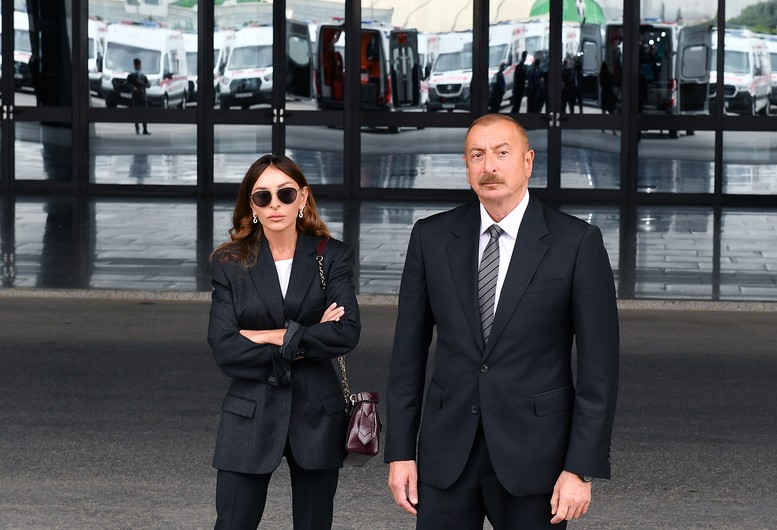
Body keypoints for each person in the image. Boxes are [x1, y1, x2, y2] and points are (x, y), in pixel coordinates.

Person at [385, 114, 619, 529]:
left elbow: (599, 371)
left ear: (528, 162)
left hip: (537, 457)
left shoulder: (576, 243)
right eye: (477, 155)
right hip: (446, 453)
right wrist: (401, 452)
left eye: (501, 153)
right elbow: (407, 355)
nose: (489, 166)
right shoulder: (431, 237)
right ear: (466, 167)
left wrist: (580, 467)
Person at [208, 154, 361, 530]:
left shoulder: (331, 255)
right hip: (249, 411)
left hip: (317, 413)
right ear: (251, 205)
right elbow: (225, 347)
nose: (275, 204)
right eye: (263, 196)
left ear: (302, 197)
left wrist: (266, 335)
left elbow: (346, 332)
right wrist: (309, 334)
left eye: (285, 193)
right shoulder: (230, 262)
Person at [126, 58, 151, 135]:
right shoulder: (131, 75)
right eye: (136, 65)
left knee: (144, 113)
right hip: (136, 96)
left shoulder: (142, 75)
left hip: (142, 96)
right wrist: (133, 88)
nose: (137, 66)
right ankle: (137, 128)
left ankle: (144, 129)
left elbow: (148, 85)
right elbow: (127, 84)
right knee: (136, 112)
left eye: (138, 65)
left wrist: (141, 83)